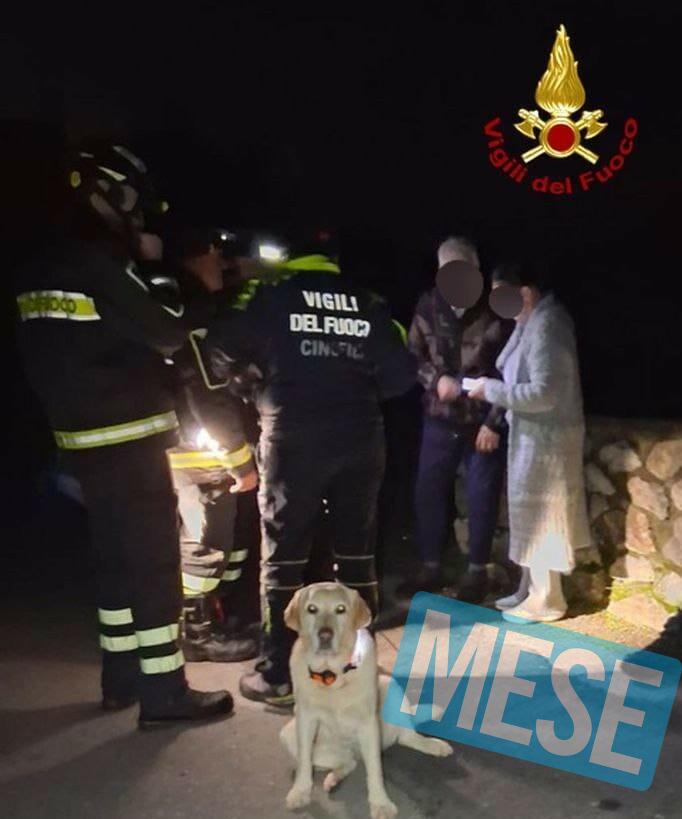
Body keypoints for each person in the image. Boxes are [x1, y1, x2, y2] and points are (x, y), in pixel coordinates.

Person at [14, 143, 233, 726]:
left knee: (114, 561)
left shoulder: (39, 265)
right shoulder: (98, 263)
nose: (137, 212)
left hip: (80, 443)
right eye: (133, 199)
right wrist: (189, 281)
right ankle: (165, 693)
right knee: (154, 563)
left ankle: (121, 678)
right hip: (129, 437)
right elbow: (168, 330)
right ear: (107, 193)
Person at [191, 236, 416, 704]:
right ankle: (354, 669)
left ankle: (279, 676)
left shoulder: (268, 296)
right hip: (360, 438)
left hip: (293, 439)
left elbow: (216, 350)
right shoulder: (368, 303)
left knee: (284, 557)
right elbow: (401, 375)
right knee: (356, 556)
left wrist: (251, 385)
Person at [468, 262, 591, 621]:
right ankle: (529, 587)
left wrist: (490, 391)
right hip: (532, 436)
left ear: (524, 292)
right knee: (529, 513)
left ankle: (548, 598)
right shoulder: (530, 323)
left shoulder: (549, 324)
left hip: (548, 441)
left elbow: (545, 392)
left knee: (543, 514)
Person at [396, 236, 513, 603]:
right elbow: (413, 354)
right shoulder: (428, 304)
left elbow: (513, 369)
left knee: (482, 497)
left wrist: (494, 421)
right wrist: (436, 380)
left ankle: (477, 572)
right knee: (427, 492)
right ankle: (431, 567)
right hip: (439, 418)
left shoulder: (498, 308)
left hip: (481, 421)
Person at [165, 229, 260, 662]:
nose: (222, 261)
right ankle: (197, 635)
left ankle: (217, 618)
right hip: (201, 451)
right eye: (214, 253)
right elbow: (209, 394)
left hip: (194, 444)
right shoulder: (197, 314)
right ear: (195, 258)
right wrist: (240, 460)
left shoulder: (182, 305)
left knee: (219, 540)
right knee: (205, 543)